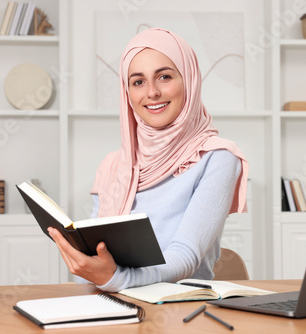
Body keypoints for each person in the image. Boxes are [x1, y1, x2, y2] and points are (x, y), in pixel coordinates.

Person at [48, 28, 248, 292]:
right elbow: (96, 254)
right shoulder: (112, 165)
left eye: (164, 76)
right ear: (127, 92)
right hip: (108, 304)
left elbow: (184, 256)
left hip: (182, 310)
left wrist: (116, 279)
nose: (152, 92)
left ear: (189, 79)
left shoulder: (217, 157)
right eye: (138, 82)